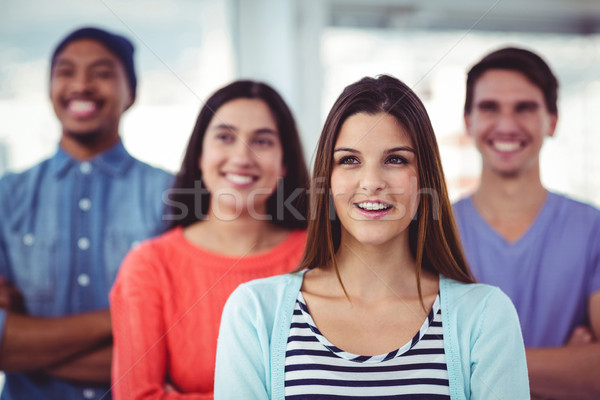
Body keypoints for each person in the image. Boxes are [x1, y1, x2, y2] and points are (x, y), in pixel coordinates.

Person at [214, 75, 529, 399]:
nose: (371, 181)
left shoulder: (485, 316)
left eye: (395, 159)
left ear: (425, 179)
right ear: (328, 179)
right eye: (349, 160)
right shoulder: (254, 312)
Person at [0, 27, 173, 399]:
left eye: (102, 73)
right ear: (49, 89)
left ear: (132, 93)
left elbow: (180, 344)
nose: (81, 85)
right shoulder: (6, 194)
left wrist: (24, 346)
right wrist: (131, 314)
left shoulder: (174, 194)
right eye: (65, 72)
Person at [110, 80, 310, 399]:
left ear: (284, 163)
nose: (242, 156)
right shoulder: (150, 265)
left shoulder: (321, 256)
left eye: (262, 141)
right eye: (225, 137)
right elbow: (137, 395)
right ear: (200, 156)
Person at [454, 47, 600, 399]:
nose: (506, 125)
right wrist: (567, 365)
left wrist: (465, 361)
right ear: (468, 121)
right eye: (489, 108)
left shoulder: (592, 229)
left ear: (552, 120)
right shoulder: (432, 230)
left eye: (525, 108)